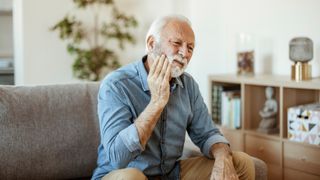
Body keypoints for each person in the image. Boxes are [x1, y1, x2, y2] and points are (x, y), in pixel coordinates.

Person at [92, 14, 255, 180]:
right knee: (131, 177)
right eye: (177, 43)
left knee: (241, 162)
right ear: (151, 44)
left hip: (170, 175)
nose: (184, 53)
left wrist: (223, 158)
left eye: (190, 48)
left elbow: (207, 134)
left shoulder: (188, 85)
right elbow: (118, 158)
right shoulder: (116, 85)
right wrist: (156, 103)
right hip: (120, 174)